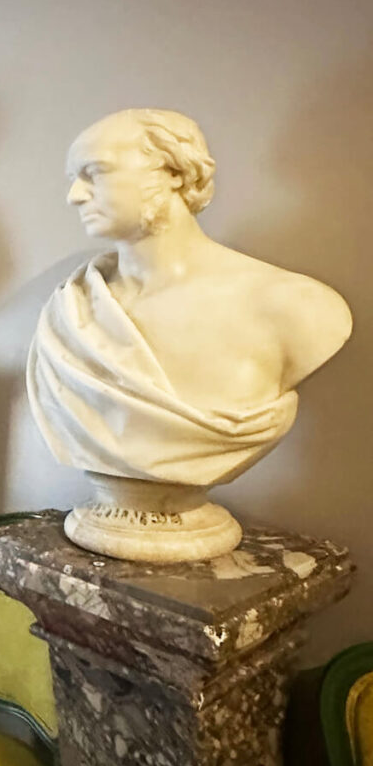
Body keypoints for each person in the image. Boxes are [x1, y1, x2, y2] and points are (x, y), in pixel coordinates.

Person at [27, 109, 352, 488]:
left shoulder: (295, 307)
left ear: (175, 174)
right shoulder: (72, 311)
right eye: (73, 179)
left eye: (94, 172)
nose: (74, 196)